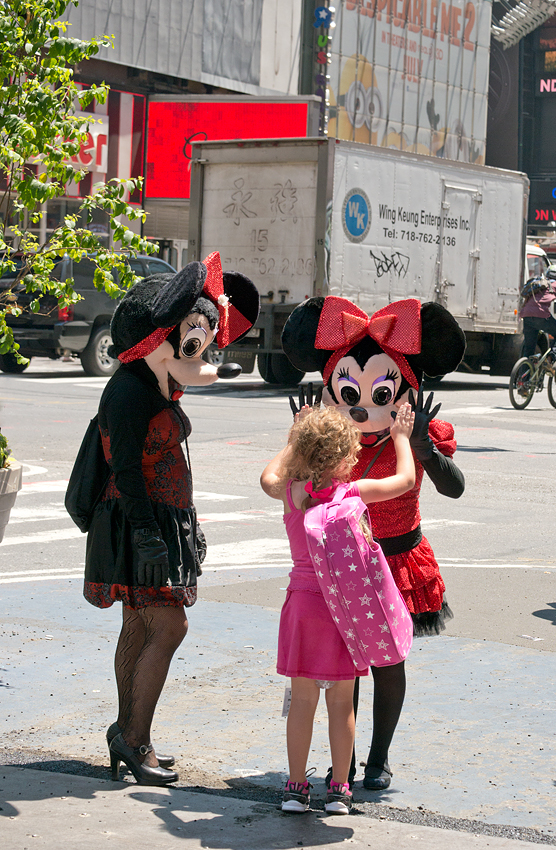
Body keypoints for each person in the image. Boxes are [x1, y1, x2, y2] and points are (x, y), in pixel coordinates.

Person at [81, 254, 259, 786]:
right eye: (192, 340)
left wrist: (186, 527)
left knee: (138, 624)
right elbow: (126, 469)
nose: (205, 357)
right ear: (156, 339)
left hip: (155, 522)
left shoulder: (155, 386)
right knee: (170, 625)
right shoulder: (131, 392)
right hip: (139, 523)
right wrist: (146, 531)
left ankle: (128, 734)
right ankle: (135, 740)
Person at [281, 295, 466, 791]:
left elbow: (454, 486)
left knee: (388, 664)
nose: (361, 404)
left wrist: (421, 443)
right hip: (343, 563)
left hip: (398, 556)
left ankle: (377, 758)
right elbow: (288, 485)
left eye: (380, 390)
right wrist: (303, 438)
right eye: (346, 389)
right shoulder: (332, 440)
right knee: (346, 669)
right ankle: (345, 762)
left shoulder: (417, 433)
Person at [260, 403, 415, 815]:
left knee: (302, 700)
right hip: (342, 610)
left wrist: (291, 439)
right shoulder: (352, 492)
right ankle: (341, 790)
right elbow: (405, 480)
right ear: (348, 457)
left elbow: (266, 477)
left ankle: (295, 788)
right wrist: (400, 437)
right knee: (341, 703)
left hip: (302, 607)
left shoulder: (292, 492)